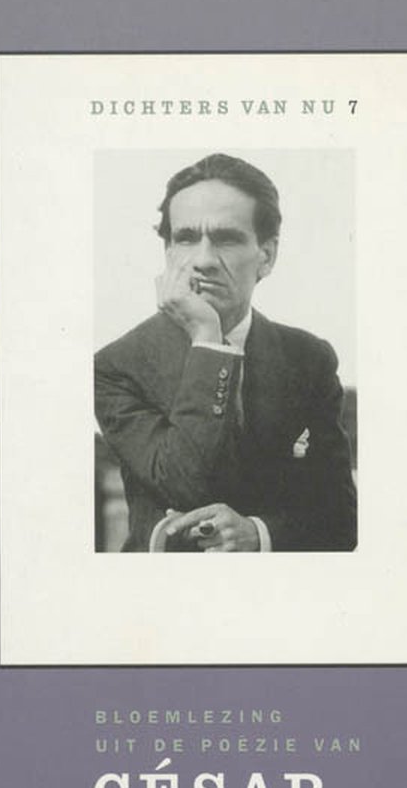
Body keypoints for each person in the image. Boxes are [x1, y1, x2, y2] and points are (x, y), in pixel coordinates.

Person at [94, 153, 357, 552]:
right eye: (186, 238)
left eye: (226, 239)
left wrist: (258, 532)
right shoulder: (117, 366)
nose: (202, 260)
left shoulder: (309, 359)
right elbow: (185, 484)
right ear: (168, 252)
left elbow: (341, 518)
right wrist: (208, 338)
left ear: (266, 256)